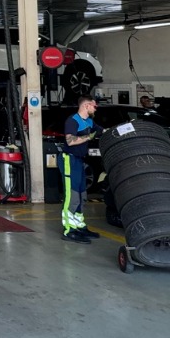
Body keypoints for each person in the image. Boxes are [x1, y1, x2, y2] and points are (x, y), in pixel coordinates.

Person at [60, 95, 99, 243]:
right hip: (70, 160)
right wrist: (89, 137)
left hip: (80, 160)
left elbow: (101, 131)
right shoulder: (72, 121)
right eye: (94, 106)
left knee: (82, 195)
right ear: (86, 106)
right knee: (72, 196)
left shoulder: (89, 121)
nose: (96, 109)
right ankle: (69, 230)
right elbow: (70, 141)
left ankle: (79, 226)